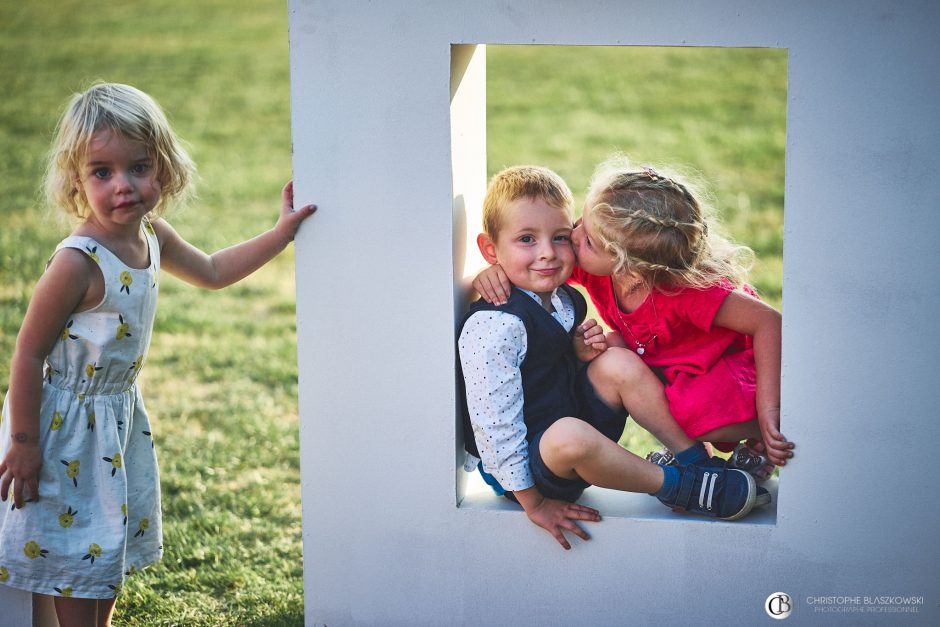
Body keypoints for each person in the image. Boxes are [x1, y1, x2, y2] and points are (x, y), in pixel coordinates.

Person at [0, 83, 316, 626]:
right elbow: (27, 355)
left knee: (105, 544)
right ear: (76, 179)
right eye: (102, 172)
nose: (123, 185)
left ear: (163, 169)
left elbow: (214, 271)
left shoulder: (153, 234)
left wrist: (280, 234)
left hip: (114, 418)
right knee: (73, 554)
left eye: (138, 167)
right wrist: (25, 445)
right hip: (63, 427)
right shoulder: (77, 263)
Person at [458, 165, 763, 551]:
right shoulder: (492, 325)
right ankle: (677, 486)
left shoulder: (564, 298)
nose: (548, 253)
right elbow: (493, 422)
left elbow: (543, 369)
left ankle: (694, 460)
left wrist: (579, 356)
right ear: (491, 249)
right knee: (569, 433)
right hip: (531, 466)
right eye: (526, 239)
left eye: (560, 237)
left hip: (569, 420)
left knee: (616, 359)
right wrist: (533, 503)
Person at [473, 155, 793, 478]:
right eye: (580, 221)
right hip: (665, 357)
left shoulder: (685, 291)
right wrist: (493, 268)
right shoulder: (596, 261)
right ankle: (698, 460)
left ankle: (754, 432)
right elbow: (538, 264)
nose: (572, 237)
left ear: (631, 269)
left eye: (588, 241)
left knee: (689, 409)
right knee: (609, 350)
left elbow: (768, 322)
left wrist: (770, 411)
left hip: (724, 366)